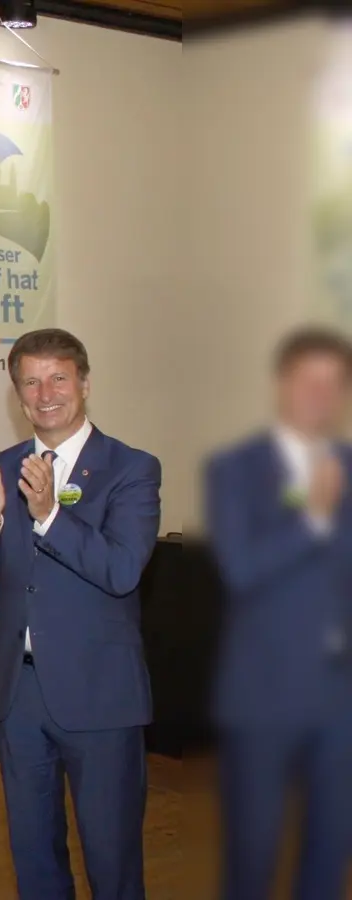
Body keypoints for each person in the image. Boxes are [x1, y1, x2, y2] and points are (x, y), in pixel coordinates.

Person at [0, 328, 160, 900]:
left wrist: (47, 516)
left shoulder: (131, 468)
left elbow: (121, 570)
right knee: (34, 858)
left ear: (84, 384)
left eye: (58, 378)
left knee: (112, 858)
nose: (45, 393)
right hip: (18, 695)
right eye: (31, 382)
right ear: (18, 395)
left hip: (100, 695)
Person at [205, 326, 352, 900]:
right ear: (281, 385)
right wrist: (312, 519)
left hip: (339, 701)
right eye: (308, 380)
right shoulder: (235, 469)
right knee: (253, 858)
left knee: (329, 855)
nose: (320, 393)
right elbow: (242, 571)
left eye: (333, 382)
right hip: (262, 699)